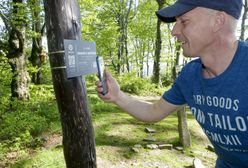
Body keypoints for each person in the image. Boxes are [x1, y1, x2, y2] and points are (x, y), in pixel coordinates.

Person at [96, 0, 248, 167]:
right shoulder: (191, 75)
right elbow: (153, 111)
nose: (174, 31)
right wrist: (117, 96)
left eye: (184, 21)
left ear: (218, 21)